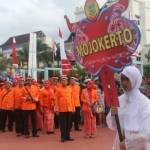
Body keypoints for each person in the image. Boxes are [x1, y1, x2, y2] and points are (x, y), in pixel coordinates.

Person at [106, 65, 150, 150]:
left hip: (138, 146)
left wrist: (128, 143)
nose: (124, 83)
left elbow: (147, 133)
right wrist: (113, 114)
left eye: (127, 79)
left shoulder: (145, 103)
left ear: (135, 80)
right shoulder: (119, 100)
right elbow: (114, 125)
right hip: (119, 144)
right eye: (122, 79)